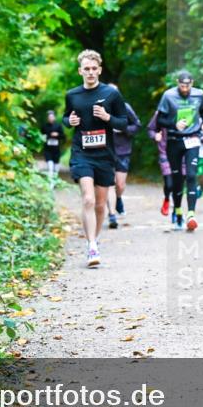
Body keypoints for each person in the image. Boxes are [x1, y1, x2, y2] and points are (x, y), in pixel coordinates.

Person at [63, 49, 128, 267]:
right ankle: (91, 246)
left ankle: (95, 240)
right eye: (86, 69)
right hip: (82, 153)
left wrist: (108, 117)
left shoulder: (111, 94)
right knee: (88, 199)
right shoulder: (72, 95)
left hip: (104, 155)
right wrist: (69, 121)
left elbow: (124, 122)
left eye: (94, 69)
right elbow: (66, 117)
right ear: (80, 71)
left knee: (100, 205)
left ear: (99, 70)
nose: (90, 72)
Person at [156, 71, 203, 231]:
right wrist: (174, 124)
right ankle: (178, 210)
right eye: (182, 85)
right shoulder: (168, 96)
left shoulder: (199, 94)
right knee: (177, 178)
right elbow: (160, 120)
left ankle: (191, 214)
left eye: (188, 85)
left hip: (192, 139)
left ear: (192, 83)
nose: (185, 89)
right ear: (177, 83)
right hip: (174, 140)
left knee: (192, 175)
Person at [105, 83, 141, 229]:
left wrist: (124, 129)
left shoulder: (125, 108)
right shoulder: (101, 109)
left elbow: (137, 125)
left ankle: (118, 198)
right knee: (109, 183)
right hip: (106, 150)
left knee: (119, 185)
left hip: (123, 151)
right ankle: (112, 214)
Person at [148, 112, 186, 218]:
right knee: (169, 184)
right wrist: (155, 135)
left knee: (179, 184)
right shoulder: (160, 113)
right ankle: (167, 198)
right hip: (165, 152)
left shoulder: (186, 111)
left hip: (182, 153)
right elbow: (150, 129)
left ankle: (176, 209)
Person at [40, 110, 64, 187]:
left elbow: (63, 137)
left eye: (52, 116)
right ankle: (51, 184)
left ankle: (55, 181)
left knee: (56, 168)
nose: (50, 118)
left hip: (56, 149)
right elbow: (41, 137)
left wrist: (57, 135)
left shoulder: (58, 126)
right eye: (49, 117)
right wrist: (49, 135)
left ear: (54, 117)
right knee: (50, 167)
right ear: (47, 118)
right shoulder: (44, 126)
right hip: (48, 149)